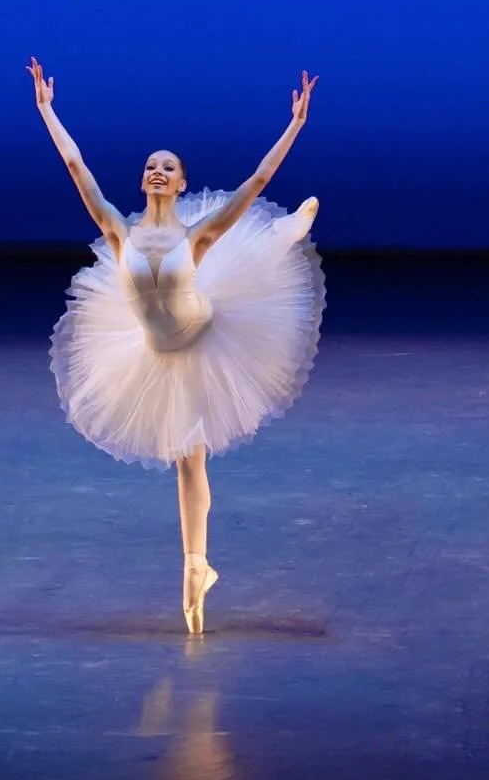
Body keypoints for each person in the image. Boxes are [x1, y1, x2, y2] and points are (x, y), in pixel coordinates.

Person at [30, 58, 325, 634]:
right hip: (156, 354)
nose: (158, 172)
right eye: (150, 167)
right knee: (188, 458)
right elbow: (74, 163)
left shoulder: (197, 234)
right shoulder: (118, 229)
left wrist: (295, 125)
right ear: (143, 181)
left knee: (251, 260)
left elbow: (255, 182)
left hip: (208, 332)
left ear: (183, 182)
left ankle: (284, 234)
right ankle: (198, 567)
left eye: (168, 167)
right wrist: (46, 108)